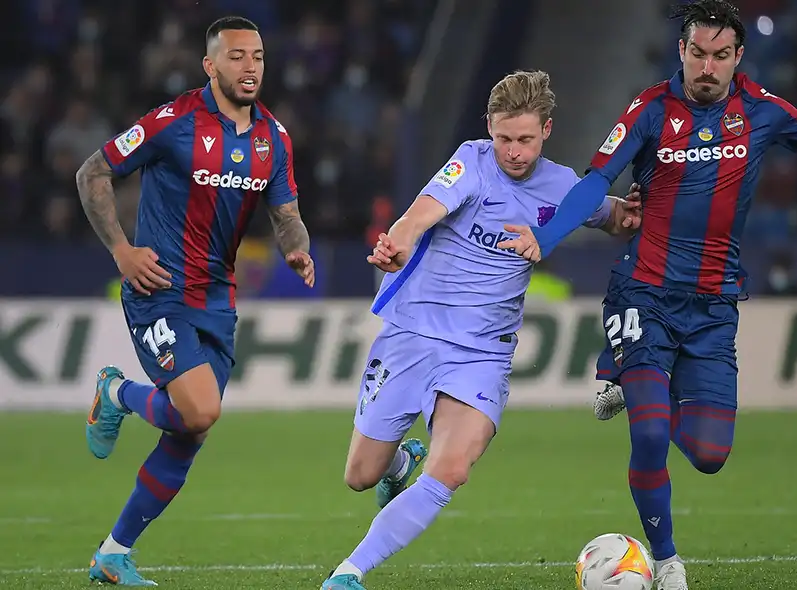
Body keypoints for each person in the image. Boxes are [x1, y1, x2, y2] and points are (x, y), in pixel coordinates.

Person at [496, 2, 797, 588]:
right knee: (648, 435)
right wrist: (546, 237)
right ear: (682, 51)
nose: (707, 66)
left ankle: (628, 380)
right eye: (697, 52)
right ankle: (667, 561)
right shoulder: (649, 110)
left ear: (738, 57)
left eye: (720, 55)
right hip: (643, 294)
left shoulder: (760, 111)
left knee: (709, 454)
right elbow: (597, 180)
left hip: (714, 307)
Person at [320, 70, 642, 590]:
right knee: (361, 475)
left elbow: (608, 216)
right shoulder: (471, 161)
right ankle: (400, 465)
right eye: (504, 138)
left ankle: (349, 573)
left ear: (547, 131)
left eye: (525, 140)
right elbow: (418, 216)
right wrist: (396, 243)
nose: (513, 152)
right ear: (488, 130)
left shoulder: (561, 184)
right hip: (413, 336)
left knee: (451, 468)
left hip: (481, 355)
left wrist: (633, 214)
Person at [77, 16, 313, 586]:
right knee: (202, 410)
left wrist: (298, 251)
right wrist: (121, 251)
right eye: (236, 56)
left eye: (256, 55)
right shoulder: (175, 121)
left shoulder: (273, 139)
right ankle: (117, 392)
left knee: (190, 432)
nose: (250, 66)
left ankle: (113, 552)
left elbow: (286, 215)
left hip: (218, 300)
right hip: (159, 290)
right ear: (210, 65)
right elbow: (94, 172)